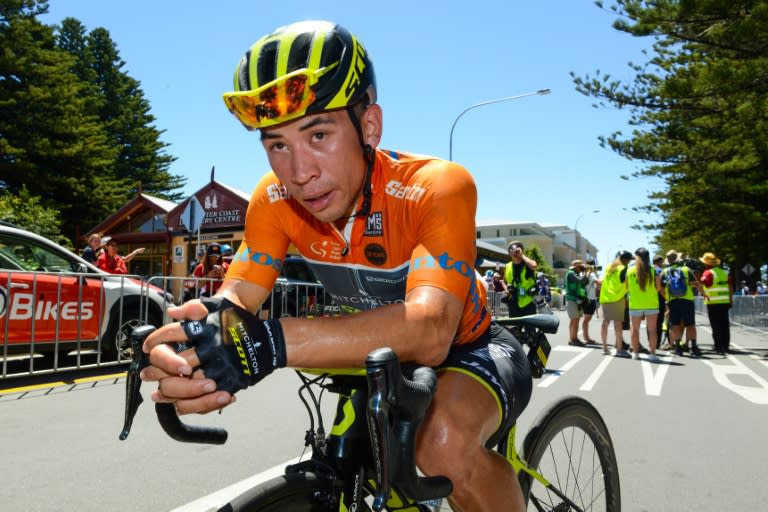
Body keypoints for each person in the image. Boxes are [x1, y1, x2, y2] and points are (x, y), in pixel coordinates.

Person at [140, 20, 532, 511]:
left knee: (442, 446)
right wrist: (192, 340)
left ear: (369, 125)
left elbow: (432, 330)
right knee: (342, 462)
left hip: (469, 349)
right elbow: (237, 298)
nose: (300, 172)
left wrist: (272, 341)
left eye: (319, 134)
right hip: (374, 357)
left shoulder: (437, 186)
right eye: (277, 144)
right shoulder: (273, 198)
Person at [661, 249, 704, 357]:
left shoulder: (665, 272)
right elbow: (696, 283)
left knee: (675, 325)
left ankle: (678, 348)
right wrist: (704, 293)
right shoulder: (686, 269)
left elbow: (660, 287)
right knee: (690, 324)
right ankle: (694, 347)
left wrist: (666, 297)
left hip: (673, 301)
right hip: (687, 300)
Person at [626, 248, 662, 362]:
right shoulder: (654, 270)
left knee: (634, 329)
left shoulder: (630, 271)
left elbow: (627, 287)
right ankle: (652, 354)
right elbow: (659, 288)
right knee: (652, 330)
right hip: (651, 304)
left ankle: (635, 353)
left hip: (635, 304)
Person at [699, 252, 733, 355]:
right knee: (724, 325)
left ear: (707, 264)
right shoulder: (725, 273)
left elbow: (701, 283)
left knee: (716, 326)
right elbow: (730, 287)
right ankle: (726, 346)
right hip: (725, 302)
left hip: (713, 302)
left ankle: (718, 347)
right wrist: (731, 300)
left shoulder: (708, 273)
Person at [599, 251, 632, 356]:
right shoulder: (624, 269)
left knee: (605, 323)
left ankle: (604, 348)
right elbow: (627, 284)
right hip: (617, 298)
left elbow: (603, 281)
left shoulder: (609, 267)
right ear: (626, 260)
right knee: (618, 324)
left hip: (605, 297)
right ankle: (619, 349)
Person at [503, 240, 538, 318]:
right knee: (514, 329)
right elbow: (505, 282)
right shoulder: (507, 266)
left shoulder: (528, 263)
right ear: (509, 253)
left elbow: (534, 266)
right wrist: (507, 290)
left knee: (530, 329)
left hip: (528, 302)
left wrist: (522, 255)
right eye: (512, 250)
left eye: (518, 249)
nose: (515, 252)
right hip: (513, 302)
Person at [565, 259, 589, 346]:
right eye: (581, 266)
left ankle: (572, 339)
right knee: (575, 321)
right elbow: (580, 281)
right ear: (576, 266)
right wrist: (586, 273)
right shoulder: (571, 273)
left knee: (574, 321)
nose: (582, 268)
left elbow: (584, 283)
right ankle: (574, 339)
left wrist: (586, 274)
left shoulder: (576, 274)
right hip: (572, 300)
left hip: (576, 300)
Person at [651, 254, 668, 349]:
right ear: (659, 262)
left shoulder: (648, 270)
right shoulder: (660, 271)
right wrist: (666, 298)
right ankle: (656, 343)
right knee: (659, 322)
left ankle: (651, 342)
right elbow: (661, 287)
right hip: (660, 299)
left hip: (649, 299)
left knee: (651, 323)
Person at [581, 261, 599, 344]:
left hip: (586, 298)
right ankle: (586, 338)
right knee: (586, 319)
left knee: (586, 318)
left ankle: (586, 337)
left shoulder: (582, 274)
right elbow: (598, 282)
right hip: (589, 299)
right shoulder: (591, 274)